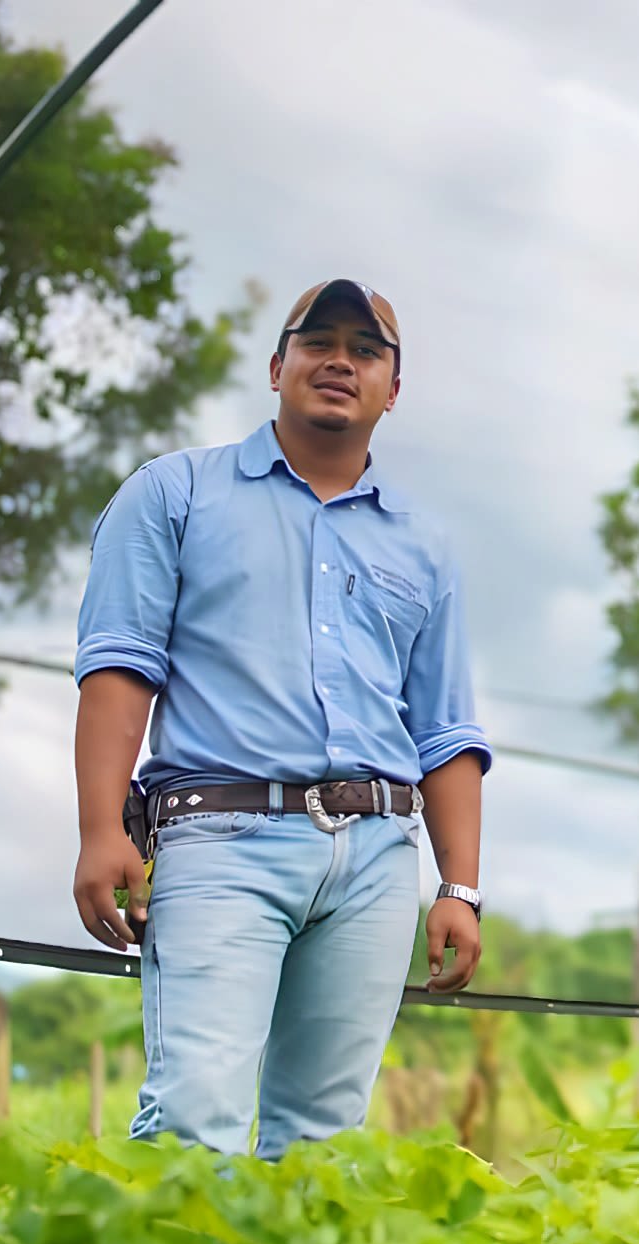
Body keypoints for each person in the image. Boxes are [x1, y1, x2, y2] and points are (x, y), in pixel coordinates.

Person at [70, 278, 489, 1159]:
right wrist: (100, 830)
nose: (342, 361)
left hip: (377, 860)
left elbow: (445, 730)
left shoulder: (424, 542)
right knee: (195, 1118)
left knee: (323, 1144)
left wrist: (458, 888)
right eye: (319, 341)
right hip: (222, 839)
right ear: (278, 365)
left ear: (393, 389)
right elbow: (120, 665)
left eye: (367, 350)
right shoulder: (176, 494)